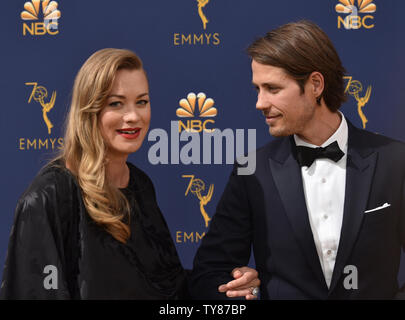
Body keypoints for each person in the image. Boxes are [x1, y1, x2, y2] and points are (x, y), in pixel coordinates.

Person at [0, 48, 259, 299]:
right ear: (89, 110)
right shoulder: (49, 197)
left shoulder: (139, 184)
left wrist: (226, 285)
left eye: (142, 102)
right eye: (116, 104)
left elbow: (168, 287)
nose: (133, 116)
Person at [189, 20, 405, 299]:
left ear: (315, 84)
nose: (260, 103)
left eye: (273, 89)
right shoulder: (251, 171)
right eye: (257, 89)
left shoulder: (395, 162)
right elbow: (208, 275)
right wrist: (242, 291)